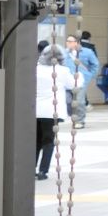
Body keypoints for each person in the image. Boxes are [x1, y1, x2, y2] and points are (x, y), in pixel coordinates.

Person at [34, 45, 76, 180]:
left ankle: (30, 168)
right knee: (48, 141)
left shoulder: (36, 69)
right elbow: (74, 84)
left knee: (36, 141)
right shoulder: (63, 71)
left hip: (35, 111)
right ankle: (43, 171)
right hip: (52, 112)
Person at [64, 34, 99, 129]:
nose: (68, 43)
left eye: (70, 41)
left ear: (77, 42)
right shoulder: (65, 53)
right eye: (67, 41)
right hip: (68, 81)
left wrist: (89, 76)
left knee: (79, 101)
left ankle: (80, 120)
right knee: (67, 100)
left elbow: (95, 65)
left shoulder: (87, 52)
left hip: (81, 80)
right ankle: (74, 116)